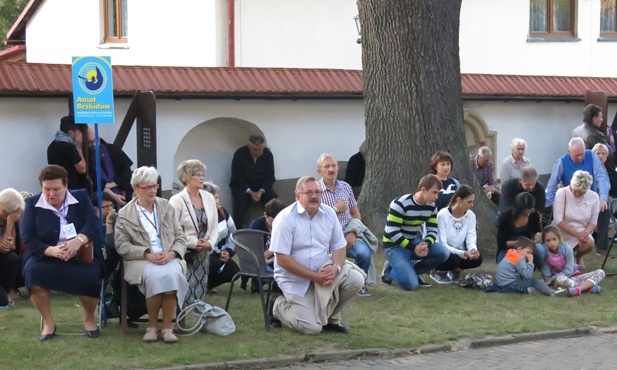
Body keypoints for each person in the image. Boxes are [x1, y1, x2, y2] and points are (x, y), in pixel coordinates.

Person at [268, 176, 365, 334]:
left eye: (317, 192)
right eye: (309, 192)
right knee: (311, 328)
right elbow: (283, 260)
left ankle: (329, 318)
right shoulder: (285, 218)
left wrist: (337, 267)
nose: (314, 196)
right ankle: (277, 307)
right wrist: (314, 277)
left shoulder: (329, 214)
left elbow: (339, 246)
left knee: (356, 279)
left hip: (323, 272)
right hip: (295, 280)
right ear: (297, 196)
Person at [20, 165, 103, 340]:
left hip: (80, 255)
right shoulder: (32, 204)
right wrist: (51, 251)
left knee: (91, 275)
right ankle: (48, 322)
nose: (51, 194)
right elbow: (27, 237)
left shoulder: (80, 197)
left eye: (56, 189)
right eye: (47, 189)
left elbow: (93, 224)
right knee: (33, 273)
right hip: (45, 255)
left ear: (66, 185)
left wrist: (78, 241)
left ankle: (89, 318)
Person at [115, 166, 188, 343]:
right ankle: (152, 327)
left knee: (171, 274)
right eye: (147, 187)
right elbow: (121, 245)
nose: (152, 190)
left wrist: (172, 253)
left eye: (154, 186)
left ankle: (167, 328)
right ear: (136, 189)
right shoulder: (125, 214)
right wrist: (146, 254)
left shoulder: (166, 207)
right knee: (156, 276)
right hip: (141, 259)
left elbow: (181, 237)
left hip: (168, 256)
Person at [316, 153, 375, 297]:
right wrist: (335, 209)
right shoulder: (315, 191)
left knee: (364, 253)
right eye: (326, 166)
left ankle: (360, 284)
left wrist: (353, 232)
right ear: (319, 171)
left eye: (333, 166)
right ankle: (337, 284)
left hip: (348, 233)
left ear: (338, 168)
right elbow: (314, 219)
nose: (331, 169)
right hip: (327, 238)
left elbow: (356, 214)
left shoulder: (346, 187)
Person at [381, 174, 449, 291]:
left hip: (413, 240)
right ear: (423, 189)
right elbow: (393, 232)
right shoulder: (400, 204)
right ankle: (389, 270)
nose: (437, 197)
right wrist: (414, 248)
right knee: (411, 285)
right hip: (394, 245)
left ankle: (413, 272)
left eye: (438, 193)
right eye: (434, 192)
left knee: (443, 253)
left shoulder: (432, 206)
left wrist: (426, 243)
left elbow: (433, 230)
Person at [169, 160, 219, 305]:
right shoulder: (176, 200)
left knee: (199, 291)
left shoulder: (208, 198)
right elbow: (174, 229)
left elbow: (214, 226)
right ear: (186, 178)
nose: (202, 177)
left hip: (204, 253)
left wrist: (210, 244)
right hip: (186, 252)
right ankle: (181, 319)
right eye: (197, 175)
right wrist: (194, 243)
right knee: (185, 292)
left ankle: (198, 319)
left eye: (203, 174)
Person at [430, 185, 482, 284]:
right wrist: (462, 253)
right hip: (443, 251)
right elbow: (442, 243)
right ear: (459, 200)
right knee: (452, 259)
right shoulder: (443, 214)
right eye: (469, 202)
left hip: (458, 251)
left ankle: (454, 270)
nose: (472, 205)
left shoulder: (471, 215)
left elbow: (471, 237)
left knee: (477, 259)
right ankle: (436, 270)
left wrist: (473, 249)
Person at [545, 137, 609, 211]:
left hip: (590, 201)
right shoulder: (561, 163)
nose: (580, 157)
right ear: (569, 152)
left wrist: (603, 198)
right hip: (571, 204)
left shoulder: (591, 155)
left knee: (605, 211)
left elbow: (601, 177)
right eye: (577, 155)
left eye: (582, 154)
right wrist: (551, 206)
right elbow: (552, 185)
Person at [552, 170, 599, 268]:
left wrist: (585, 233)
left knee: (590, 242)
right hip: (562, 230)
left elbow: (593, 222)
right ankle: (568, 256)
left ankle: (578, 256)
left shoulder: (594, 196)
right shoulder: (561, 193)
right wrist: (577, 235)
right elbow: (558, 219)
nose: (577, 194)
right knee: (563, 265)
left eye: (581, 192)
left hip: (581, 230)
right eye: (575, 190)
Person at [540, 225, 604, 296]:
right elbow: (547, 276)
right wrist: (553, 279)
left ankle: (578, 289)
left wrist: (554, 278)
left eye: (554, 239)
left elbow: (568, 271)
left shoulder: (567, 249)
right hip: (557, 281)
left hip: (573, 277)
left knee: (600, 272)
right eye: (548, 240)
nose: (551, 243)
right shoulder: (544, 252)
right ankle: (587, 287)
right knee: (559, 279)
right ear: (544, 241)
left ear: (559, 238)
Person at [229, 135, 277, 228]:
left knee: (273, 199)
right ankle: (238, 230)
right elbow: (236, 177)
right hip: (243, 187)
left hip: (262, 187)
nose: (258, 152)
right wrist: (249, 191)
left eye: (261, 149)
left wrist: (261, 190)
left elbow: (270, 177)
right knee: (240, 199)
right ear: (249, 146)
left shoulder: (267, 155)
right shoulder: (239, 154)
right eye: (255, 149)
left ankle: (276, 224)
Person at [202, 182, 240, 294]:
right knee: (214, 263)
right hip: (207, 254)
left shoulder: (223, 212)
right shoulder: (201, 215)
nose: (216, 201)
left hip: (222, 252)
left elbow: (234, 234)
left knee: (234, 272)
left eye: (217, 197)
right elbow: (204, 239)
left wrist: (228, 250)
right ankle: (202, 286)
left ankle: (208, 285)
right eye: (213, 198)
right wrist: (218, 253)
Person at [492, 237, 563, 296]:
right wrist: (530, 262)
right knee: (533, 280)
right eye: (528, 252)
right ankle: (551, 292)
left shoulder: (511, 253)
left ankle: (533, 288)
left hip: (500, 283)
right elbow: (528, 275)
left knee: (530, 281)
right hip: (509, 285)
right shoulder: (519, 258)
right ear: (520, 249)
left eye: (531, 254)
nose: (529, 255)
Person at [87, 128, 134, 206]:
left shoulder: (113, 150)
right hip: (100, 197)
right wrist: (112, 194)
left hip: (122, 191)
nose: (94, 145)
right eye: (90, 142)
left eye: (96, 141)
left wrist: (112, 184)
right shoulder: (86, 157)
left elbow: (126, 171)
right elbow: (94, 182)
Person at [496, 192, 542, 263]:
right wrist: (520, 243)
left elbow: (537, 230)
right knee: (512, 261)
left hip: (527, 247)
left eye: (530, 211)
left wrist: (538, 235)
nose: (528, 214)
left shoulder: (533, 215)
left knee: (540, 250)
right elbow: (501, 242)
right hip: (508, 249)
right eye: (524, 213)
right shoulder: (506, 217)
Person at [47, 115, 89, 190]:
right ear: (71, 132)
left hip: (57, 186)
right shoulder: (69, 147)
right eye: (77, 132)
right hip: (71, 187)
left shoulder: (52, 146)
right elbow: (82, 169)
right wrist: (79, 146)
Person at [0, 188, 24, 308]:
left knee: (12, 258)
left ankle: (6, 290)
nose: (14, 216)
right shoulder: (8, 219)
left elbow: (10, 245)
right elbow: (3, 246)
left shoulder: (7, 218)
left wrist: (10, 224)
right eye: (10, 213)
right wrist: (10, 223)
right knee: (2, 303)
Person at [591, 143, 617, 255]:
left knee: (607, 206)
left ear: (607, 156)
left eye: (603, 153)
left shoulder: (611, 170)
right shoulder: (589, 169)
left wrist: (611, 196)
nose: (601, 156)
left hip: (608, 200)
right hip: (592, 200)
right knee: (605, 210)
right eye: (598, 153)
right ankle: (602, 248)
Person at [248, 198, 286, 270]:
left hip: (280, 261)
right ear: (265, 215)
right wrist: (275, 245)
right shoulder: (256, 227)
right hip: (261, 264)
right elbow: (258, 257)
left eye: (279, 220)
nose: (276, 223)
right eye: (272, 220)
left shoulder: (285, 224)